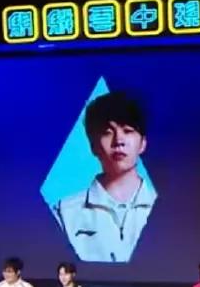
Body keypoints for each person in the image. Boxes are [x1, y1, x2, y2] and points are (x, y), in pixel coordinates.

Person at [52, 91, 158, 263]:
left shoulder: (165, 209)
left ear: (143, 143)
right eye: (108, 132)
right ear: (93, 146)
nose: (118, 141)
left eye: (128, 131)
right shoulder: (65, 212)